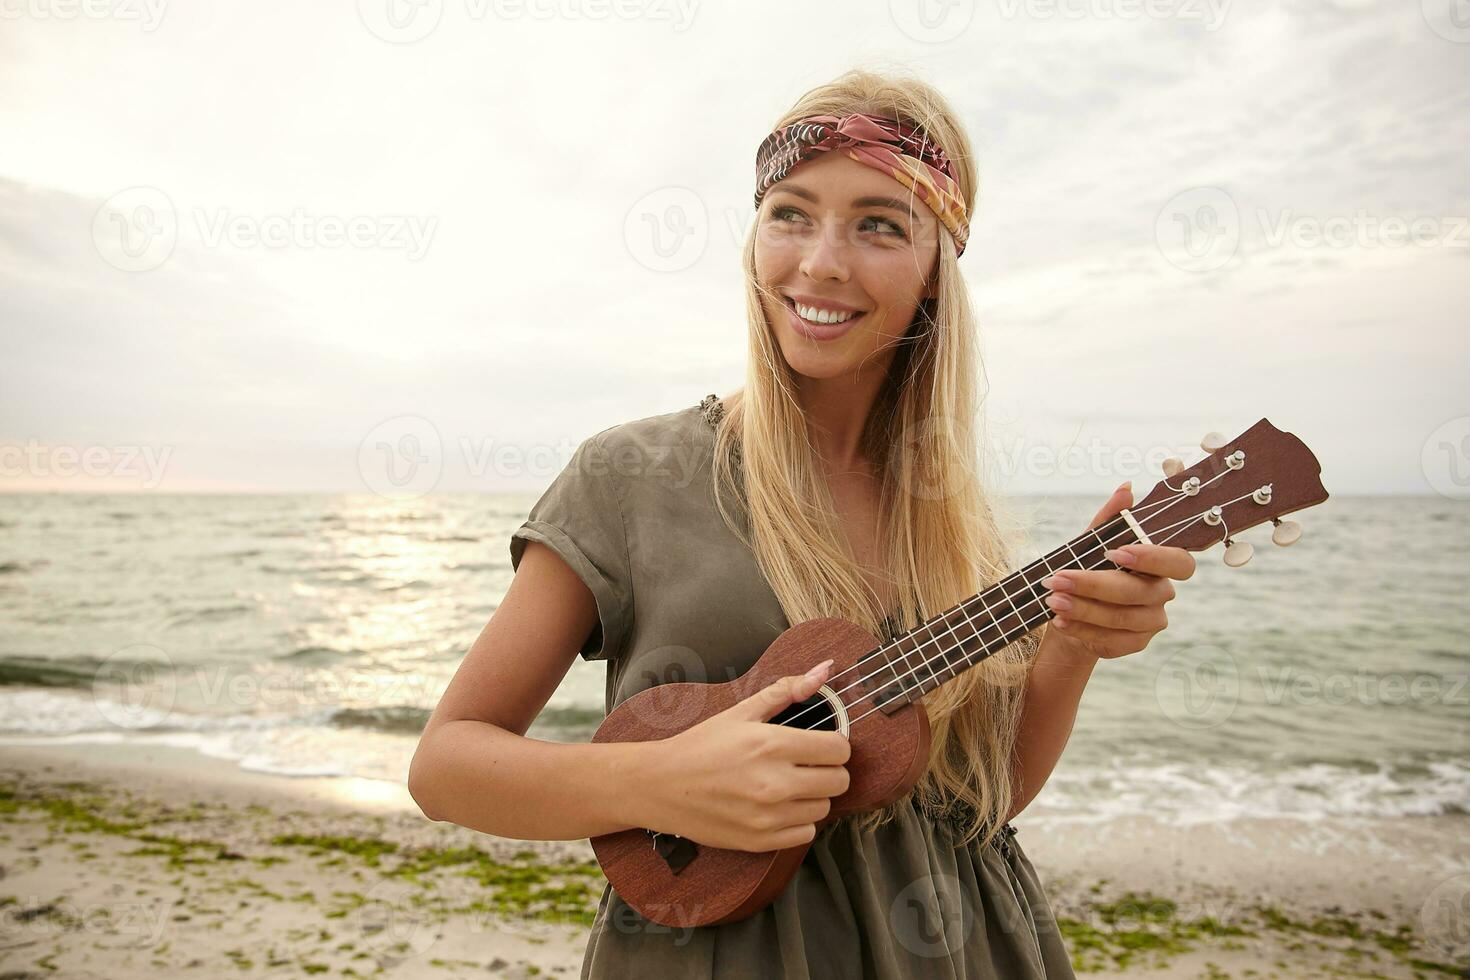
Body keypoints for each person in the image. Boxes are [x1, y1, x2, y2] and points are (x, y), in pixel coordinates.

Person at [408, 67, 1197, 979]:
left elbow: (986, 798)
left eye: (878, 224)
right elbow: (447, 767)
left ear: (936, 269)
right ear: (753, 240)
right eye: (790, 212)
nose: (822, 260)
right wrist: (658, 782)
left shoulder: (950, 517)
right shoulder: (632, 476)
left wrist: (1075, 647)